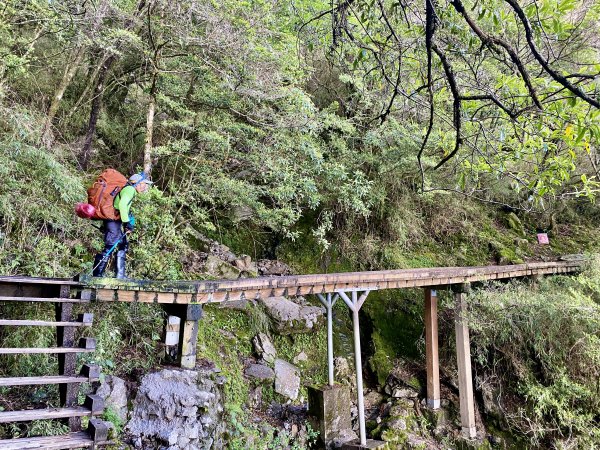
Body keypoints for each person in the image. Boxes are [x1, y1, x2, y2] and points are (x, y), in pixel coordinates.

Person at [92, 173, 152, 278]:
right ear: (137, 183)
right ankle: (97, 275)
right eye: (143, 184)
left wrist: (126, 222)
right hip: (112, 221)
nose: (144, 187)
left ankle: (120, 275)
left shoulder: (128, 189)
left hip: (114, 220)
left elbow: (120, 207)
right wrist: (127, 223)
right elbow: (122, 205)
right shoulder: (130, 190)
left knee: (123, 244)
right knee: (111, 245)